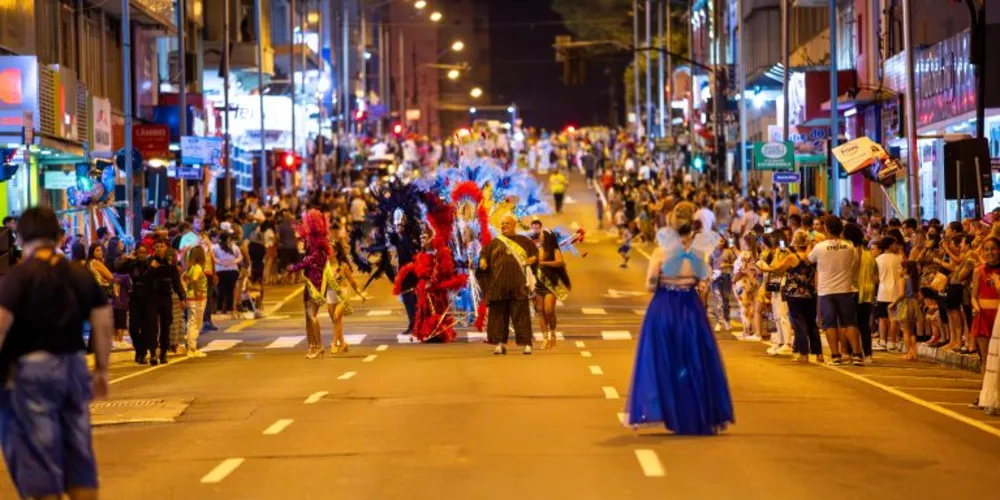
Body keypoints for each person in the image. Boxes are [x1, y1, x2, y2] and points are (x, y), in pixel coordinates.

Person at [0, 206, 111, 500]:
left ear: (20, 237)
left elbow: (1, 323)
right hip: (74, 365)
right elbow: (102, 320)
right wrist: (101, 369)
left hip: (30, 370)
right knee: (78, 447)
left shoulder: (18, 277)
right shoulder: (79, 274)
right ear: (59, 237)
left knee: (38, 453)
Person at [626, 202, 733, 435]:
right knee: (694, 360)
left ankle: (671, 411)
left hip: (664, 308)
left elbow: (650, 285)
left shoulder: (660, 252)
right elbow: (704, 283)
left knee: (664, 360)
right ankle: (695, 412)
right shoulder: (697, 253)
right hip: (691, 309)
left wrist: (666, 282)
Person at [477, 215, 538, 355]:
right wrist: (483, 261)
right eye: (502, 223)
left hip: (518, 286)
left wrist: (532, 259)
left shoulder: (524, 241)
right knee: (498, 317)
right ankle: (500, 343)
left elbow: (535, 254)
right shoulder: (494, 243)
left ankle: (526, 343)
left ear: (514, 225)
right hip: (498, 286)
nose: (504, 226)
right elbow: (483, 254)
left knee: (521, 316)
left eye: (507, 224)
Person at [809, 215, 863, 366]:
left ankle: (835, 356)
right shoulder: (849, 246)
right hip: (845, 289)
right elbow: (853, 263)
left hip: (826, 291)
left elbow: (809, 259)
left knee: (830, 324)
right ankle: (857, 355)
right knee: (850, 323)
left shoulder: (820, 247)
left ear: (826, 229)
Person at [290, 210, 335, 359]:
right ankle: (311, 346)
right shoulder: (314, 243)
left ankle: (319, 345)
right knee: (308, 316)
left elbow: (308, 261)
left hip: (315, 284)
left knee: (312, 315)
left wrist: (293, 269)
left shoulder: (319, 246)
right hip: (310, 283)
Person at [530, 219, 570, 349]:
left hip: (550, 284)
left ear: (547, 238)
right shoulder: (537, 249)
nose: (540, 237)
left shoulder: (555, 250)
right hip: (539, 284)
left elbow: (559, 262)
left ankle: (553, 333)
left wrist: (545, 263)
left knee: (549, 310)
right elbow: (533, 261)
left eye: (542, 236)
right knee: (540, 311)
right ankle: (545, 339)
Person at [145, 240, 186, 366]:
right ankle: (152, 353)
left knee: (165, 325)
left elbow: (176, 282)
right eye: (157, 246)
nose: (159, 248)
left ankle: (163, 352)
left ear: (166, 247)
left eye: (161, 246)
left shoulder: (170, 264)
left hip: (166, 297)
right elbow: (145, 279)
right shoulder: (150, 262)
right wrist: (152, 268)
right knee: (152, 326)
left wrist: (182, 297)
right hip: (152, 297)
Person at [182, 246, 209, 357]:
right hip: (198, 298)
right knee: (196, 323)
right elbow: (194, 279)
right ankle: (192, 348)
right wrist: (197, 291)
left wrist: (186, 289)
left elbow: (183, 278)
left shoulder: (191, 267)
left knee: (191, 322)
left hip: (191, 297)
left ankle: (190, 347)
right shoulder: (197, 267)